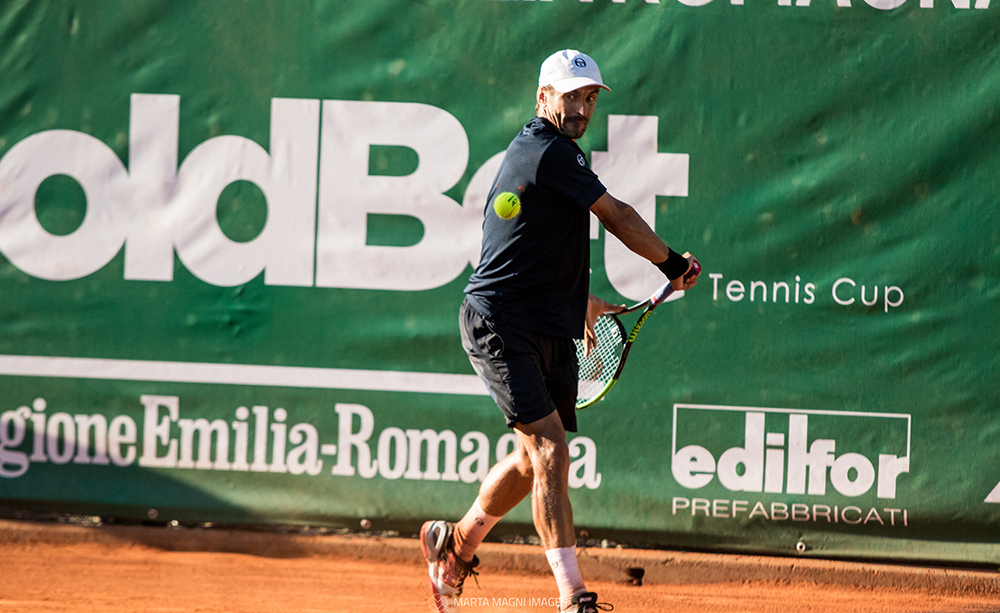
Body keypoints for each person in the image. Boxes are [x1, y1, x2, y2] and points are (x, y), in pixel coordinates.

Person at [421, 49, 699, 613]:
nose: (582, 106)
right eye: (572, 95)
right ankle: (574, 596)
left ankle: (455, 544)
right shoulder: (543, 150)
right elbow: (617, 215)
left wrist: (580, 301)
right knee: (550, 447)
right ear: (545, 97)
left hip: (545, 319)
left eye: (590, 97)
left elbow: (529, 246)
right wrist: (673, 264)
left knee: (530, 461)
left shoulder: (553, 155)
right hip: (500, 322)